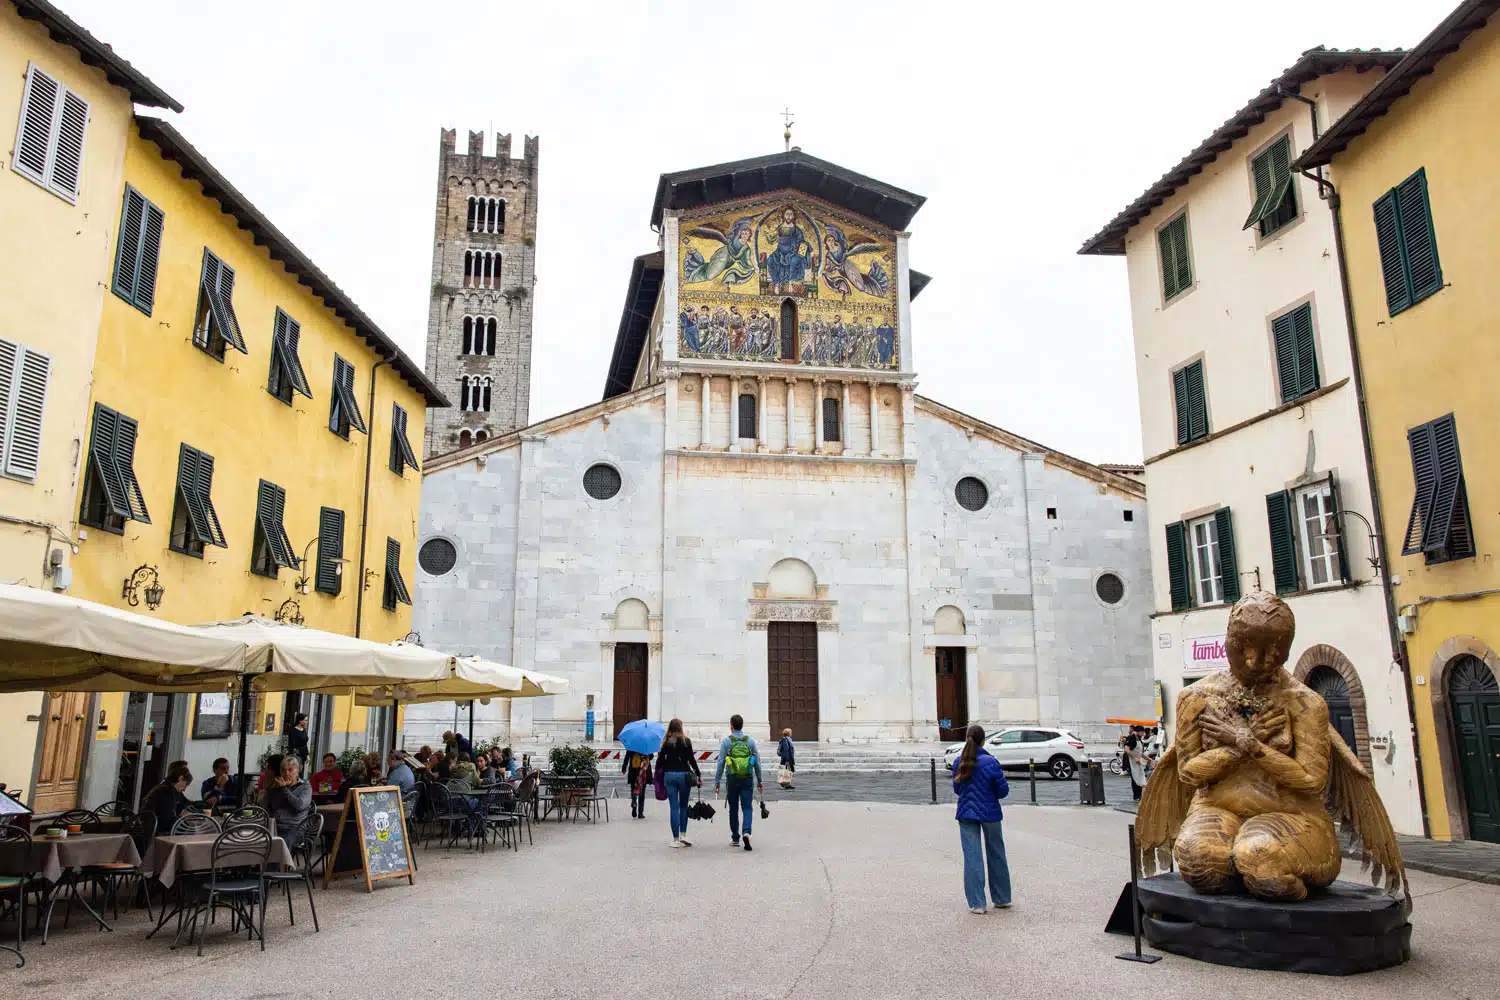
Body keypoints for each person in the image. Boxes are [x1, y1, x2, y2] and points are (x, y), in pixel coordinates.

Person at [951, 724, 1012, 914]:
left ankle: (977, 903)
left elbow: (958, 789)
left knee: (972, 856)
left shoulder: (958, 761)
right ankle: (1001, 898)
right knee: (996, 854)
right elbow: (1003, 791)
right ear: (983, 740)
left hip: (966, 813)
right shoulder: (991, 762)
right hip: (990, 813)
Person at [714, 714, 764, 851]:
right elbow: (757, 764)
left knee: (733, 807)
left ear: (731, 726)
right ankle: (747, 832)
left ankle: (735, 838)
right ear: (742, 725)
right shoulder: (750, 741)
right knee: (747, 807)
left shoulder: (726, 742)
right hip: (747, 777)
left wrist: (717, 781)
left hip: (732, 778)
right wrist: (760, 781)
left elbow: (720, 763)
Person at [657, 718, 700, 848]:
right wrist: (698, 774)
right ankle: (683, 834)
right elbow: (691, 760)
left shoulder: (665, 743)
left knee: (674, 808)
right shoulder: (686, 741)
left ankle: (675, 839)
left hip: (669, 776)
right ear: (681, 727)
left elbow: (660, 762)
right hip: (684, 775)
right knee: (683, 806)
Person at [267, 755, 313, 847]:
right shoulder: (279, 787)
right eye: (283, 770)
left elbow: (299, 806)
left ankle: (278, 861)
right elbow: (271, 806)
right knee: (256, 839)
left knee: (278, 845)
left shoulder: (305, 788)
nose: (286, 773)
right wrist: (272, 790)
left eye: (290, 770)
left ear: (297, 771)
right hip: (275, 826)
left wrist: (284, 789)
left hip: (294, 828)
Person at [142, 762, 194, 834]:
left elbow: (186, 803)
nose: (184, 789)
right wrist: (184, 818)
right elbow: (167, 822)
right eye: (186, 785)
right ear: (180, 778)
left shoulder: (167, 788)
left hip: (153, 830)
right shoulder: (166, 792)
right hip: (155, 834)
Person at [622, 749, 653, 820]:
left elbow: (627, 756)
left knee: (634, 789)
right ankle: (640, 813)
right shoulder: (646, 745)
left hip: (634, 771)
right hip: (643, 771)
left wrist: (624, 768)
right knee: (642, 792)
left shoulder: (632, 746)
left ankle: (634, 802)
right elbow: (651, 757)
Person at [1125, 726, 1150, 801]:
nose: (1143, 734)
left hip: (1137, 761)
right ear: (1137, 732)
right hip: (1131, 761)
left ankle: (1140, 795)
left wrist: (1149, 759)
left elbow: (1140, 753)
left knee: (1139, 777)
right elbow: (1127, 749)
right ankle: (1136, 796)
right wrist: (1134, 758)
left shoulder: (1139, 739)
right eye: (1142, 732)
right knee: (1135, 778)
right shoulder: (1131, 737)